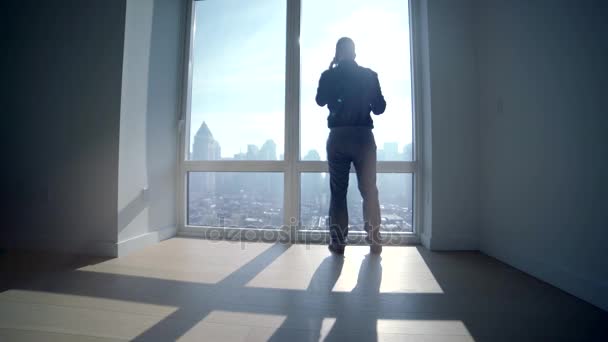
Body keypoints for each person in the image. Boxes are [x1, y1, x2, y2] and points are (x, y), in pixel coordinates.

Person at [315, 37, 386, 255]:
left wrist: (330, 69)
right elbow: (380, 108)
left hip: (338, 136)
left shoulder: (329, 76)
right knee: (369, 190)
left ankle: (338, 243)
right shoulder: (369, 75)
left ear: (337, 54)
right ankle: (374, 240)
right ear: (355, 53)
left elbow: (319, 101)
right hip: (363, 137)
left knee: (338, 192)